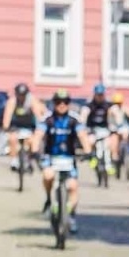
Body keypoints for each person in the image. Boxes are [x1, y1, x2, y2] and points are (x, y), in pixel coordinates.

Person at [37, 90, 92, 232]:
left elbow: (82, 135)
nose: (62, 105)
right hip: (51, 157)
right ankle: (49, 199)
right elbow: (38, 135)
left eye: (65, 102)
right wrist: (34, 150)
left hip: (68, 158)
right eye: (58, 102)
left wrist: (88, 150)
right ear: (53, 103)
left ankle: (70, 214)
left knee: (73, 186)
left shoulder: (74, 119)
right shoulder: (47, 118)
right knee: (48, 175)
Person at [2, 84, 42, 171]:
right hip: (16, 126)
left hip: (30, 126)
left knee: (32, 141)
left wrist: (39, 129)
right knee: (12, 139)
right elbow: (7, 117)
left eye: (23, 95)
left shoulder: (32, 100)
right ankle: (14, 161)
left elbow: (39, 116)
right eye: (19, 95)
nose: (21, 97)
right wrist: (6, 127)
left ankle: (29, 160)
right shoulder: (12, 101)